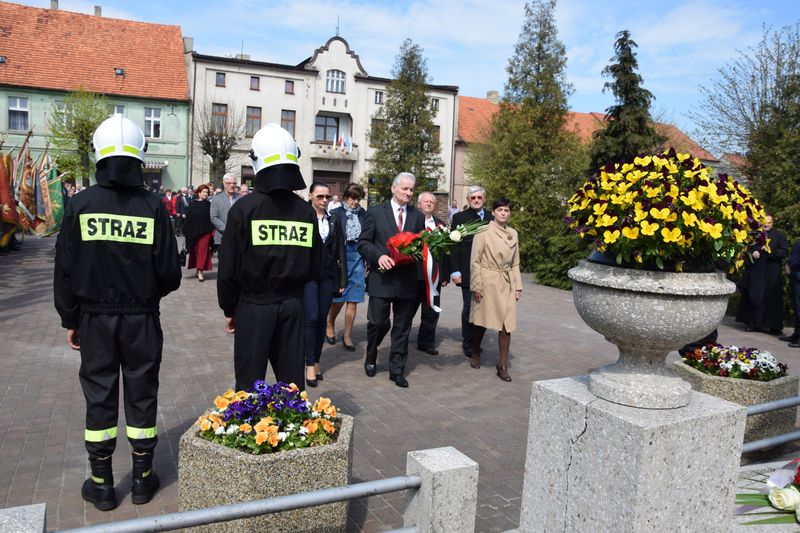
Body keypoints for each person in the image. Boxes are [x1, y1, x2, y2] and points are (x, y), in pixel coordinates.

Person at [53, 114, 181, 511]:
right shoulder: (154, 206)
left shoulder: (79, 204)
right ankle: (143, 481)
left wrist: (71, 318)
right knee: (143, 395)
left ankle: (102, 484)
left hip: (93, 318)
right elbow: (169, 273)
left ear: (99, 155)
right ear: (140, 157)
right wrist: (144, 297)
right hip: (141, 318)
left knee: (100, 397)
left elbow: (65, 267)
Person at [218, 123, 324, 392]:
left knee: (248, 385)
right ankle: (291, 431)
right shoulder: (305, 212)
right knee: (291, 385)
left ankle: (251, 431)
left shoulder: (243, 210)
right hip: (292, 306)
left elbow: (228, 270)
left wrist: (231, 310)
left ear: (256, 162)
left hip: (252, 307)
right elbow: (316, 267)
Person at [357, 172, 424, 388]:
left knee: (402, 327)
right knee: (377, 322)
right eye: (405, 189)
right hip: (382, 279)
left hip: (406, 280)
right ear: (394, 189)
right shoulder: (376, 212)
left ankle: (397, 369)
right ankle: (371, 353)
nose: (409, 193)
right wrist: (379, 256)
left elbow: (420, 245)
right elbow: (363, 242)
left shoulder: (417, 216)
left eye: (412, 190)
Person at [468, 198, 522, 382]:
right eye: (500, 210)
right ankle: (475, 350)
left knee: (507, 325)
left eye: (506, 210)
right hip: (487, 280)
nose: (503, 213)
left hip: (506, 283)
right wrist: (476, 285)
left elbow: (515, 262)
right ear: (493, 212)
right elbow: (475, 260)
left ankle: (502, 365)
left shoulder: (513, 233)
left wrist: (518, 286)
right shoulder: (483, 231)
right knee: (481, 321)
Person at [303, 182, 347, 387]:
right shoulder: (303, 217)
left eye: (327, 197)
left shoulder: (334, 220)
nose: (324, 200)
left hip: (328, 276)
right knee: (311, 318)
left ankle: (316, 360)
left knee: (322, 319)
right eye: (320, 196)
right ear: (310, 195)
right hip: (307, 275)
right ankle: (309, 363)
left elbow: (340, 251)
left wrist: (342, 279)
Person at [449, 186, 493, 357]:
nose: (476, 200)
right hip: (467, 271)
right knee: (469, 306)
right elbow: (454, 245)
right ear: (468, 200)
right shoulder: (459, 217)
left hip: (488, 271)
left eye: (479, 197)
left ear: (484, 199)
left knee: (483, 307)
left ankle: (477, 341)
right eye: (473, 197)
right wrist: (455, 271)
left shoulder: (491, 217)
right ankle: (468, 343)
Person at [326, 183, 367, 351]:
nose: (355, 202)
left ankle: (347, 335)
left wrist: (367, 261)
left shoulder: (364, 214)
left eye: (358, 199)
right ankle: (330, 323)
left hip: (358, 256)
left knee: (354, 299)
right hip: (341, 257)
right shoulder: (336, 214)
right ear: (346, 197)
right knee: (339, 298)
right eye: (352, 198)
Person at [735, 215, 789, 334]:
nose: (766, 224)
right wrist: (752, 253)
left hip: (771, 272)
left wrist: (769, 251)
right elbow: (746, 249)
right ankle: (753, 323)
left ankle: (773, 326)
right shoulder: (755, 235)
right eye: (765, 222)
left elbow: (784, 252)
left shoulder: (779, 236)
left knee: (771, 298)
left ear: (773, 223)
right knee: (754, 296)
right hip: (757, 271)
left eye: (769, 222)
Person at [415, 191, 448, 355]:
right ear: (419, 204)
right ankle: (401, 338)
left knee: (431, 311)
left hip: (433, 277)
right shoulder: (412, 221)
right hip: (414, 275)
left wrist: (444, 275)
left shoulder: (441, 225)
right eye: (426, 201)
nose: (429, 204)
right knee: (407, 311)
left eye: (432, 202)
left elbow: (446, 251)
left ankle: (426, 342)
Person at [184, 184, 215, 282]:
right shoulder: (192, 204)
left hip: (206, 231)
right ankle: (198, 268)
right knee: (196, 251)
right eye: (204, 192)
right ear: (199, 193)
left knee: (203, 250)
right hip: (194, 232)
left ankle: (200, 271)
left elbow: (211, 218)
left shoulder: (209, 205)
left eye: (207, 192)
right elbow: (189, 218)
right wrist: (186, 230)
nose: (205, 194)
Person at [210, 173, 241, 255]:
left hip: (239, 236)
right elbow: (214, 217)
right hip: (222, 236)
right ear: (224, 184)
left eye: (234, 183)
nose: (232, 185)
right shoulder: (217, 199)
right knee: (224, 264)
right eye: (229, 183)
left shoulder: (241, 198)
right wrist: (226, 229)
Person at [781, 238, 800, 347]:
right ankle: (797, 333)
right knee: (796, 307)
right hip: (796, 277)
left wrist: (791, 267)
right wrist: (788, 264)